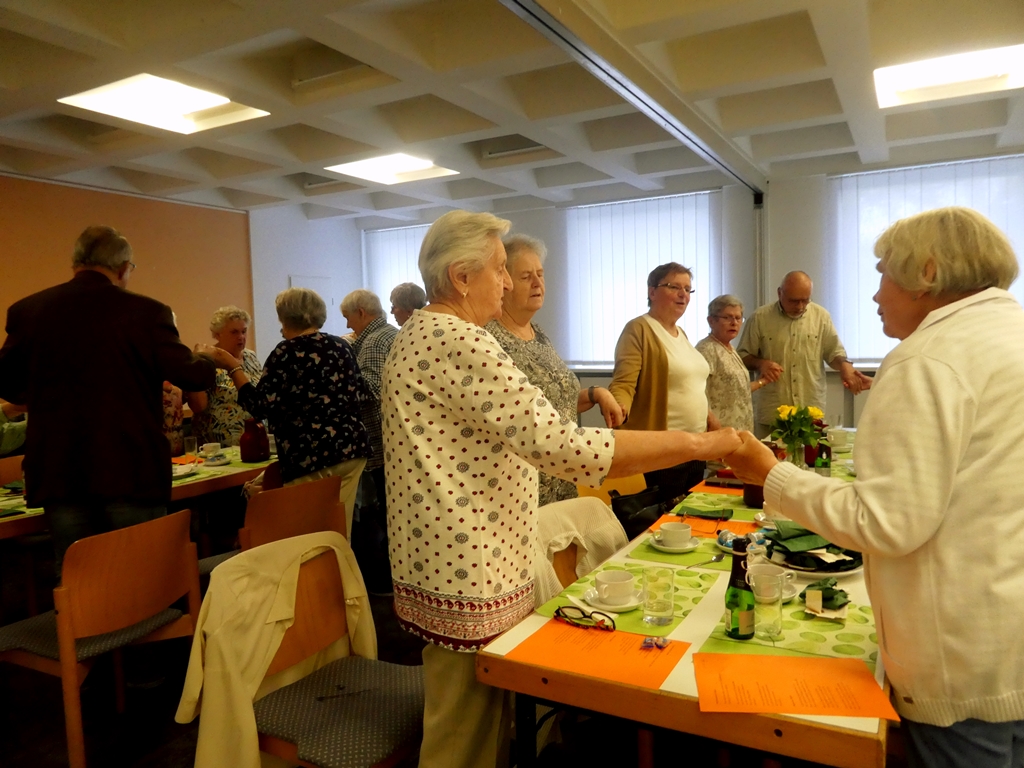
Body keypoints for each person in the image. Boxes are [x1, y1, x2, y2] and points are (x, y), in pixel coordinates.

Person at [384, 210, 740, 768]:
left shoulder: (421, 333)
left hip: (444, 560)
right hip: (468, 567)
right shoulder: (459, 339)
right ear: (461, 277)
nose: (508, 283)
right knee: (463, 738)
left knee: (469, 725)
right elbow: (566, 446)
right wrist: (696, 444)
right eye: (501, 269)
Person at [724, 207, 1024, 767]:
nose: (876, 294)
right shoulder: (1009, 335)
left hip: (961, 658)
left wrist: (770, 474)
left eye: (884, 273)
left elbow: (885, 522)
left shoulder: (928, 358)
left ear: (927, 272)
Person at [0, 225, 216, 574]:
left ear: (76, 264)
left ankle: (83, 614)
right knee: (143, 574)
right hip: (130, 467)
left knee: (80, 578)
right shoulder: (148, 313)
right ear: (123, 268)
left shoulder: (28, 311)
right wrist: (207, 358)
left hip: (60, 471)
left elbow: (8, 385)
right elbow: (192, 376)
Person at [198, 288, 371, 536]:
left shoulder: (286, 352)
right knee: (338, 530)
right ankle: (339, 561)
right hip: (351, 450)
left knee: (306, 535)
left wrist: (233, 368)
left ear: (284, 317)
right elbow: (361, 393)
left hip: (310, 455)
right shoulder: (341, 345)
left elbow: (258, 406)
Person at [486, 233, 623, 506]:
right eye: (526, 277)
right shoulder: (490, 340)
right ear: (505, 282)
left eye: (540, 274)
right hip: (522, 493)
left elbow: (554, 402)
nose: (538, 283)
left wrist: (595, 394)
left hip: (562, 482)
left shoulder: (538, 333)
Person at [608, 262, 720, 500]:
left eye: (688, 289)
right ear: (652, 292)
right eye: (674, 287)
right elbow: (624, 382)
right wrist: (618, 407)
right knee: (666, 518)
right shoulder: (639, 329)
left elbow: (688, 385)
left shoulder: (682, 334)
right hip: (662, 450)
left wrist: (709, 417)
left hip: (695, 448)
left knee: (691, 514)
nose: (683, 295)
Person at [737, 271, 871, 435]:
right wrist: (761, 364)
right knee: (770, 453)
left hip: (810, 412)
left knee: (813, 452)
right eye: (794, 301)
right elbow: (742, 356)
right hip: (773, 413)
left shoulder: (821, 317)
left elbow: (834, 353)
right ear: (779, 293)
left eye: (805, 300)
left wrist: (845, 366)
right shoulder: (760, 318)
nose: (800, 306)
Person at [340, 288, 398, 592]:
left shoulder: (373, 342)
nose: (348, 325)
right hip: (395, 440)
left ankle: (386, 580)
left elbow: (372, 389)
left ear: (361, 313)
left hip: (379, 440)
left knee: (387, 514)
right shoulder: (392, 334)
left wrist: (341, 381)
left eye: (348, 317)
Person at [187, 306, 262, 446]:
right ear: (217, 334)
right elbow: (198, 406)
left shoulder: (251, 357)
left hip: (254, 439)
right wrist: (196, 363)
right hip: (218, 446)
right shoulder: (207, 360)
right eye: (234, 332)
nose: (241, 337)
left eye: (244, 331)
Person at [695, 294, 764, 433]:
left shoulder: (730, 348)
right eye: (727, 317)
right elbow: (697, 392)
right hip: (719, 431)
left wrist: (763, 381)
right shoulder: (706, 350)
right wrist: (711, 421)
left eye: (738, 318)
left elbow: (737, 390)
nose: (734, 323)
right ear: (711, 321)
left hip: (740, 430)